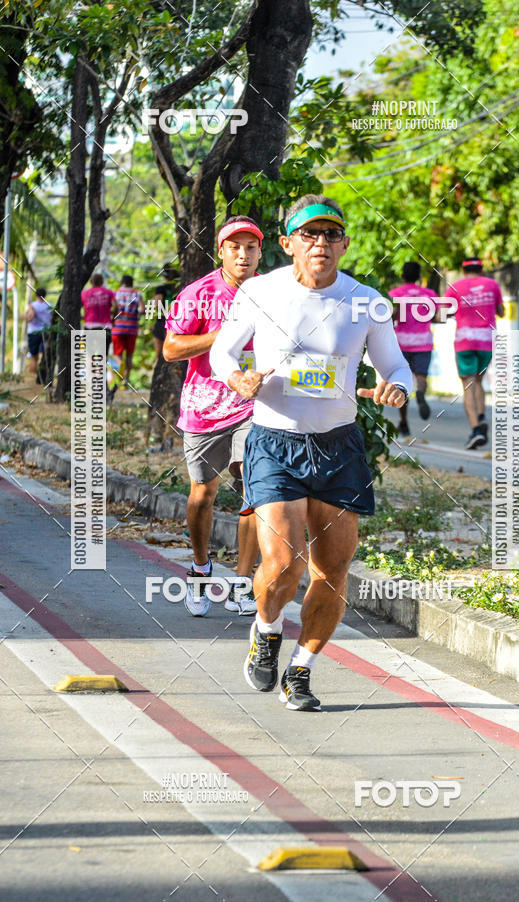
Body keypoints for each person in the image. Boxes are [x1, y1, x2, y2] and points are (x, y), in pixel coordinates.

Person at [210, 194, 412, 711]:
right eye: (308, 234)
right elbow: (222, 351)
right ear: (287, 243)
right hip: (275, 441)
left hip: (339, 447)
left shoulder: (366, 301)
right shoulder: (260, 291)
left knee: (332, 570)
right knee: (282, 567)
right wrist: (238, 377)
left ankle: (300, 671)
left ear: (344, 243)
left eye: (330, 235)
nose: (320, 243)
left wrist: (397, 388)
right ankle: (266, 628)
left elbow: (397, 366)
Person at [163, 215, 263, 618]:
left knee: (255, 490)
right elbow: (171, 349)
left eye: (250, 247)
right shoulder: (198, 293)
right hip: (205, 408)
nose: (243, 254)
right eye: (235, 247)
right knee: (203, 494)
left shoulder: (272, 292)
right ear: (221, 251)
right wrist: (223, 335)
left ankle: (242, 582)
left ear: (261, 252)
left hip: (254, 406)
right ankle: (200, 569)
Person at [445, 258, 504, 449]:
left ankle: (476, 429)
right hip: (486, 341)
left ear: (463, 270)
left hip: (464, 341)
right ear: (481, 269)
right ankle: (481, 415)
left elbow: (442, 313)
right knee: (479, 380)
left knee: (468, 385)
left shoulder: (455, 287)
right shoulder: (492, 285)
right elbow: (501, 311)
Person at [389, 261, 440, 436]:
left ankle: (404, 422)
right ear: (419, 277)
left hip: (401, 343)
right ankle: (420, 393)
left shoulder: (395, 294)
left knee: (402, 382)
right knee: (421, 376)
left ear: (403, 276)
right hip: (423, 342)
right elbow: (438, 316)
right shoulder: (429, 294)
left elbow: (391, 315)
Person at [109, 274, 144, 396]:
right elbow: (142, 309)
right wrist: (137, 317)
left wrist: (113, 318)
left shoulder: (115, 293)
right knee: (129, 355)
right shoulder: (137, 294)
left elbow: (112, 309)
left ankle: (120, 366)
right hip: (132, 328)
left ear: (122, 282)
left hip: (118, 328)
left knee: (117, 355)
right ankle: (125, 380)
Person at [81, 273, 115, 354]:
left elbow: (77, 307)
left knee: (89, 353)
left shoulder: (84, 294)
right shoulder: (109, 293)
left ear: (90, 282)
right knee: (103, 353)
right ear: (102, 282)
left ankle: (91, 366)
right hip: (106, 326)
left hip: (89, 326)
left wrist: (82, 317)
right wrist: (113, 318)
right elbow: (116, 306)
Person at [25, 288, 52, 382]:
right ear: (45, 295)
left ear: (36, 295)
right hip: (46, 332)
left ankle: (33, 378)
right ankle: (42, 376)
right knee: (44, 354)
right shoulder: (50, 305)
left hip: (33, 332)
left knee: (33, 356)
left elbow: (30, 318)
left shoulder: (32, 305)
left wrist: (23, 316)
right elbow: (52, 319)